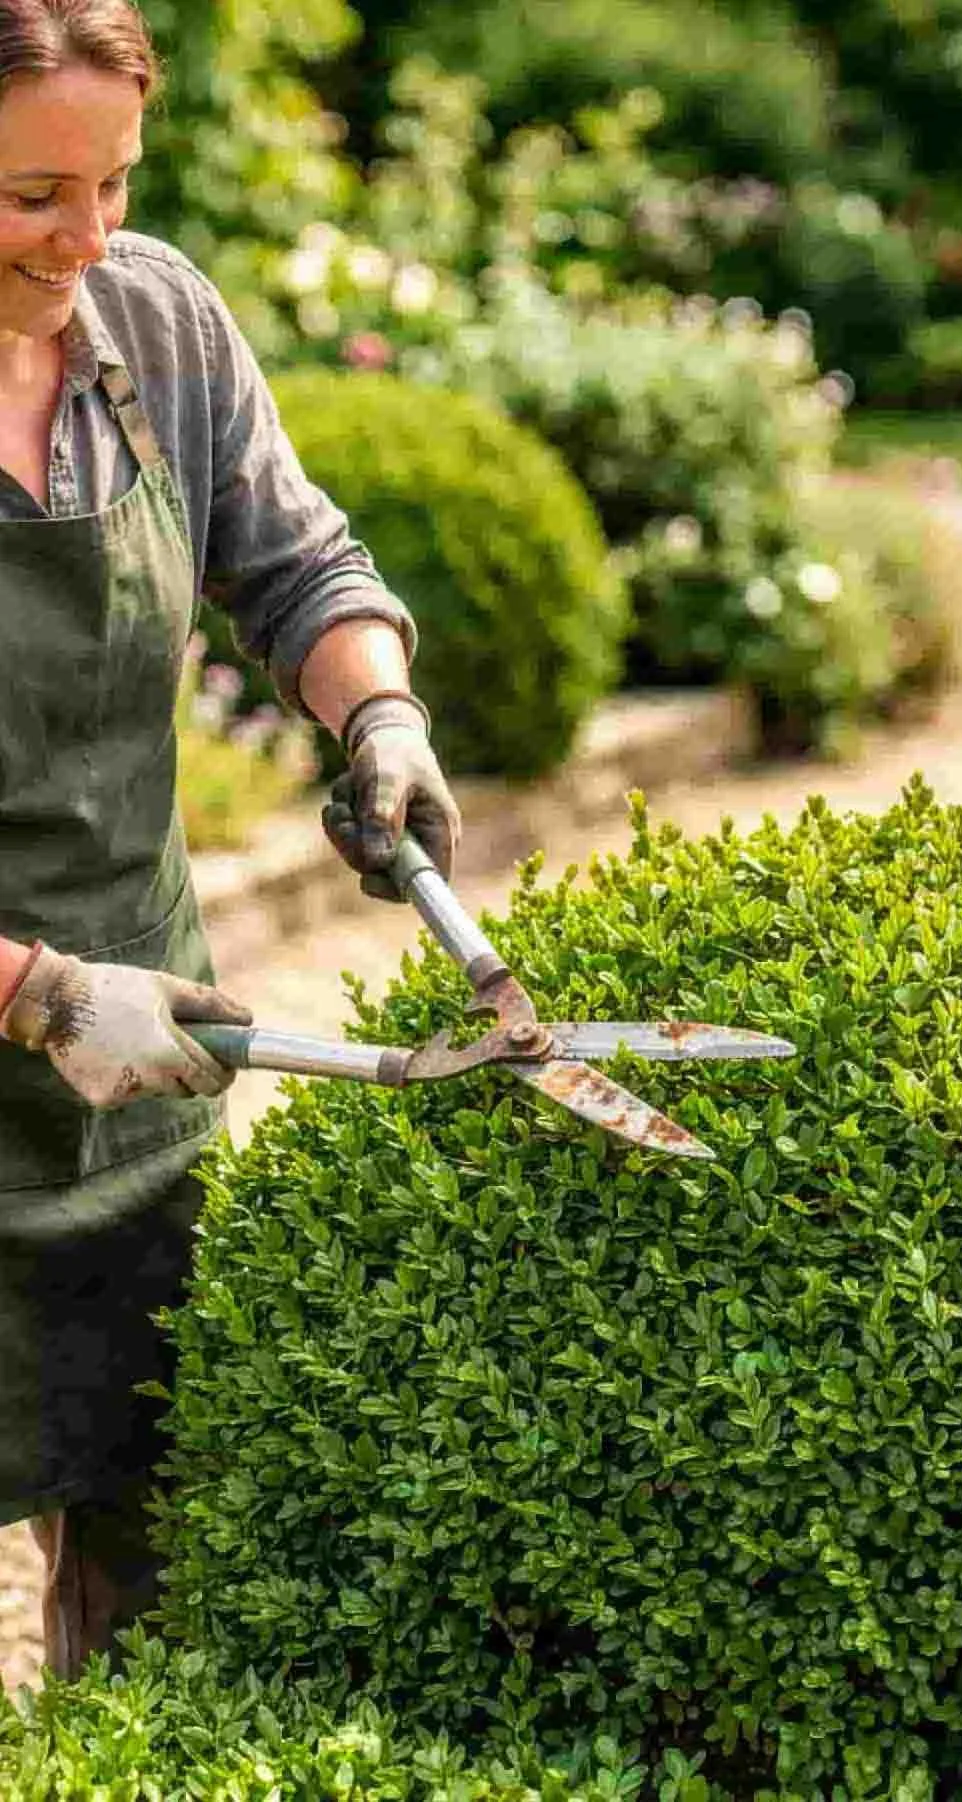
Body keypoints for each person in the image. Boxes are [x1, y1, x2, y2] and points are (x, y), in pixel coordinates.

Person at [0, 0, 462, 1679]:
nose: (86, 237)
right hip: (59, 1009)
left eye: (114, 181)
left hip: (148, 1066)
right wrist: (41, 993)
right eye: (34, 195)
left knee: (153, 1576)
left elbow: (293, 559)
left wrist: (380, 716)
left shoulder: (156, 323)